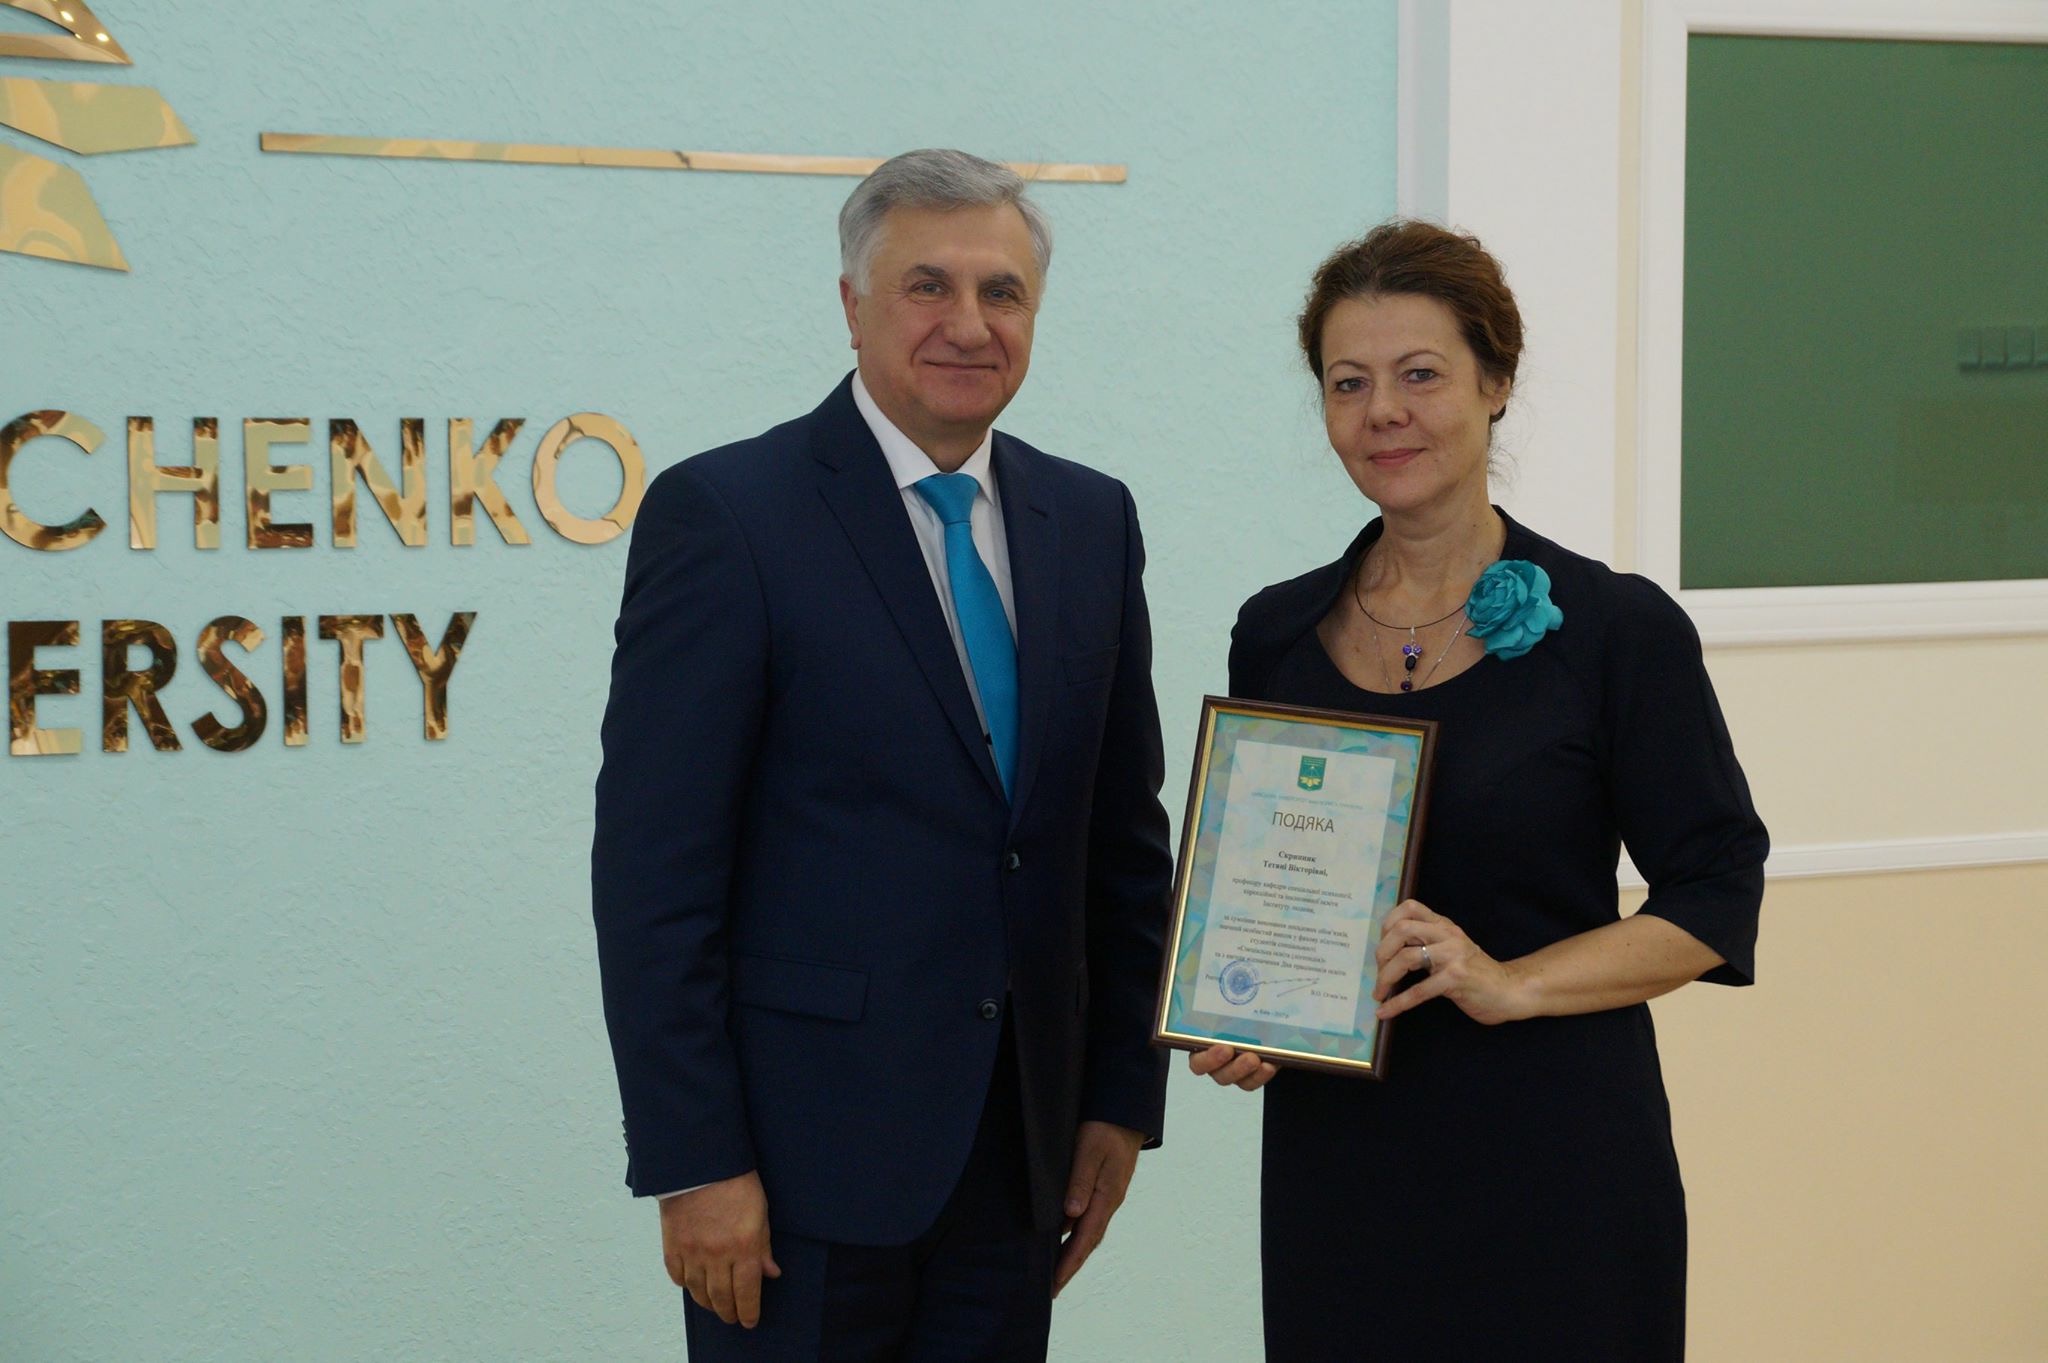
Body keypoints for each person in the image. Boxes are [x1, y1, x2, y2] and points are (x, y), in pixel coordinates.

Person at [590, 148, 1173, 1361]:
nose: (968, 323)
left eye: (1001, 292)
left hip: (1018, 1162)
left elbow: (1120, 839)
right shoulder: (729, 515)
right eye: (927, 286)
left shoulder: (1090, 519)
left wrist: (1120, 1095)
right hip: (794, 1181)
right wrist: (695, 1159)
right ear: (852, 305)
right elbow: (655, 874)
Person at [1188, 220, 1768, 1360]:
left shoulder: (1614, 629)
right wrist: (1245, 1011)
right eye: (1347, 383)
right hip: (1339, 1166)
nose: (1381, 412)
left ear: (1496, 383)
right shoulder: (1275, 632)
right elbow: (1267, 878)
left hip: (1554, 1160)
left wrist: (1511, 983)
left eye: (1419, 375)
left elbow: (1714, 891)